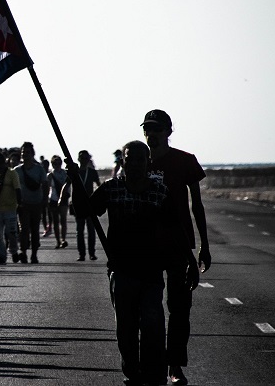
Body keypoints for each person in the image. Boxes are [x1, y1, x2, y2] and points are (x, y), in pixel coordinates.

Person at [72, 140, 198, 386]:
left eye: (141, 159)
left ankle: (154, 374)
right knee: (126, 329)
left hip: (151, 270)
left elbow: (177, 229)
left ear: (148, 162)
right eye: (130, 159)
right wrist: (76, 181)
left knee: (152, 325)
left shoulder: (159, 192)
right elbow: (83, 210)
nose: (135, 164)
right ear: (123, 162)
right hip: (121, 270)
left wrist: (190, 262)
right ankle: (132, 371)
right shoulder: (111, 189)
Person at [142, 109, 211, 386]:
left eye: (157, 129)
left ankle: (174, 365)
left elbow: (197, 204)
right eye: (147, 129)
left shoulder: (185, 161)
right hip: (145, 247)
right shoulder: (136, 163)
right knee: (148, 309)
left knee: (180, 309)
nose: (152, 134)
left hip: (179, 246)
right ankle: (152, 363)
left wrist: (204, 246)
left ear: (168, 131)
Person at [14, 142, 47, 264]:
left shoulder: (39, 169)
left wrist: (44, 200)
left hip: (36, 203)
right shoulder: (17, 170)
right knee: (24, 230)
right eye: (23, 152)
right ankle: (23, 252)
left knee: (35, 230)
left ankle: (34, 254)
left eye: (27, 152)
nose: (25, 155)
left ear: (33, 154)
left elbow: (45, 184)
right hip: (23, 204)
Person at [0, 150, 21, 264]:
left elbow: (17, 189)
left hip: (10, 208)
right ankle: (1, 256)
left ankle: (13, 252)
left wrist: (19, 204)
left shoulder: (12, 173)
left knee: (11, 233)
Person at [74, 150, 101, 261]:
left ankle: (92, 253)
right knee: (79, 231)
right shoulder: (75, 172)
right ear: (79, 159)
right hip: (78, 203)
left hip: (90, 203)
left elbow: (99, 185)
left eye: (86, 158)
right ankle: (81, 254)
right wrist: (62, 197)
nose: (84, 160)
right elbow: (67, 184)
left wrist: (99, 199)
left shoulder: (92, 172)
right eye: (82, 158)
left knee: (91, 229)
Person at [48, 155, 70, 249]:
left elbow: (68, 185)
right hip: (53, 198)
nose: (57, 165)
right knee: (55, 221)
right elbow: (47, 187)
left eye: (58, 163)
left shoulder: (65, 173)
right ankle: (58, 241)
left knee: (63, 220)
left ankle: (63, 239)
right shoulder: (50, 175)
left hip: (64, 199)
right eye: (55, 163)